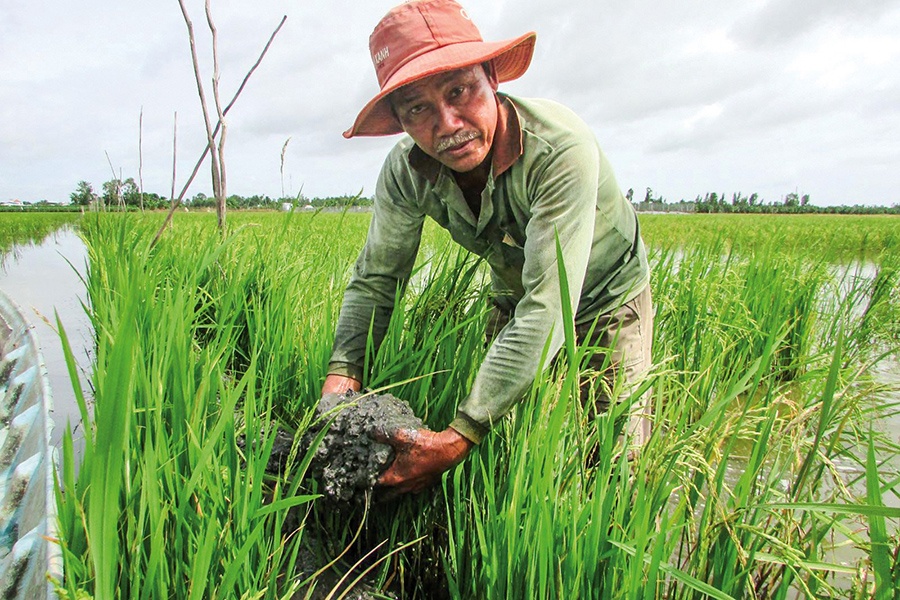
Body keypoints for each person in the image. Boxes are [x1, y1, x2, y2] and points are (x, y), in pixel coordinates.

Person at [321, 0, 652, 494]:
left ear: (492, 80)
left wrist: (460, 434)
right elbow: (377, 278)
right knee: (506, 447)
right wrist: (343, 374)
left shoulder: (559, 150)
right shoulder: (406, 172)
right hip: (517, 293)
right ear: (401, 121)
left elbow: (551, 305)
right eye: (419, 108)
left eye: (460, 91)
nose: (449, 123)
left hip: (606, 297)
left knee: (613, 462)